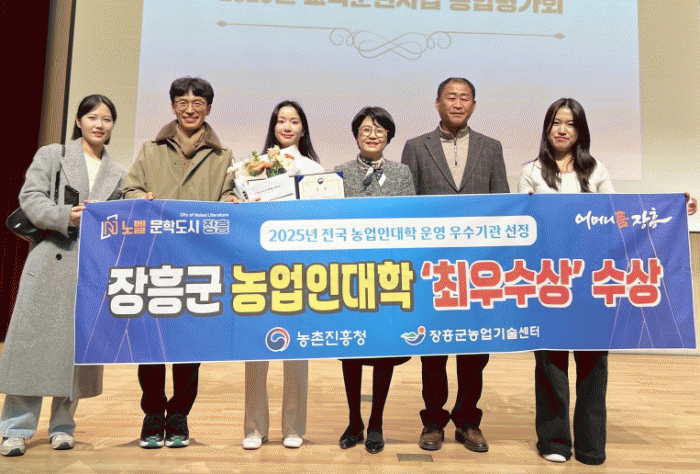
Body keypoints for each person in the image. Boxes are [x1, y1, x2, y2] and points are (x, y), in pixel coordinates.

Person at [0, 95, 127, 457]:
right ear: (78, 120)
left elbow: (121, 217)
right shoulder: (53, 155)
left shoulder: (119, 172)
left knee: (76, 350)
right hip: (51, 259)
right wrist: (65, 216)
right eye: (92, 117)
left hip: (91, 267)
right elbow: (31, 197)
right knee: (32, 346)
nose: (99, 124)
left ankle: (62, 426)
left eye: (107, 119)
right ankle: (15, 429)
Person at [122, 77, 236, 449]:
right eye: (182, 102)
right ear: (173, 107)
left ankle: (179, 417)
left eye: (197, 103)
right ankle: (153, 416)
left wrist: (232, 201)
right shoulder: (150, 149)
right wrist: (142, 197)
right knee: (151, 346)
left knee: (190, 347)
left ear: (208, 108)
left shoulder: (223, 156)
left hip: (197, 263)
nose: (190, 109)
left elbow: (228, 195)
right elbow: (130, 189)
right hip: (154, 260)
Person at [401, 77, 509, 453]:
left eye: (465, 98)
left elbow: (501, 205)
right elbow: (408, 208)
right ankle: (433, 421)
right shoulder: (416, 147)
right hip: (432, 269)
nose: (458, 104)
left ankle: (467, 421)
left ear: (474, 105)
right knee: (433, 349)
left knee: (475, 351)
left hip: (478, 270)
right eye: (451, 97)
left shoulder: (491, 147)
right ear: (437, 103)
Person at [518, 97, 613, 465]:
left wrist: (674, 205)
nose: (562, 130)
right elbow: (521, 228)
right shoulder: (531, 172)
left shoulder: (596, 171)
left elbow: (618, 217)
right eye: (556, 123)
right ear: (546, 129)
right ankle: (555, 441)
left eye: (570, 124)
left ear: (580, 131)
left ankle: (591, 446)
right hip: (549, 282)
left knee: (593, 365)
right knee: (550, 363)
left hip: (590, 282)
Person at [242, 100, 323, 450]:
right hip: (258, 268)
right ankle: (254, 428)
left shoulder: (314, 169)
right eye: (281, 121)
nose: (287, 126)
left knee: (297, 349)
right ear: (273, 127)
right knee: (255, 348)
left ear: (303, 128)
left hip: (298, 269)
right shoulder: (253, 168)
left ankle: (293, 426)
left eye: (294, 121)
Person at [334, 107, 414, 454]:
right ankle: (354, 421)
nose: (372, 135)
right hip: (349, 276)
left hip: (388, 275)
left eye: (380, 130)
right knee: (351, 350)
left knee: (384, 350)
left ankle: (376, 422)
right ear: (356, 135)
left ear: (388, 137)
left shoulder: (402, 172)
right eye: (366, 129)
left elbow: (410, 220)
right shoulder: (338, 173)